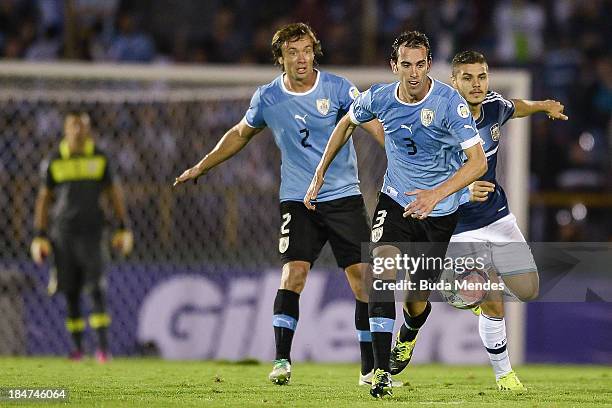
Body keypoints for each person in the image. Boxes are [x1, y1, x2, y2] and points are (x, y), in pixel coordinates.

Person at [174, 22, 386, 386]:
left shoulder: (337, 88)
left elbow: (372, 124)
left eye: (306, 50)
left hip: (343, 196)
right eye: (293, 52)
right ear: (280, 58)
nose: (302, 58)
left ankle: (368, 369)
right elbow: (240, 133)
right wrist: (202, 165)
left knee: (362, 281)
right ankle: (282, 361)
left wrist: (403, 160)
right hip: (297, 199)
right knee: (294, 273)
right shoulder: (268, 97)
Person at [304, 31, 487, 398]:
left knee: (417, 300)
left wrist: (436, 195)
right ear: (394, 66)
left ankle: (409, 332)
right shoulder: (379, 97)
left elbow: (478, 162)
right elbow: (346, 123)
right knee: (382, 268)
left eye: (420, 64)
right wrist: (320, 172)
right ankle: (380, 371)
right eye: (406, 64)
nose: (414, 72)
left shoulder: (451, 104)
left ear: (429, 65)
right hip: (396, 200)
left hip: (439, 211)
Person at [448, 50, 567, 390]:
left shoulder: (494, 108)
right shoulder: (439, 122)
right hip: (456, 226)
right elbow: (420, 178)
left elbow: (517, 106)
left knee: (528, 290)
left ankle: (468, 293)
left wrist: (545, 104)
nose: (476, 84)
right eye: (467, 78)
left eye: (481, 76)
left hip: (498, 219)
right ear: (454, 81)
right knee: (490, 295)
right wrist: (459, 193)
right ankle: (505, 376)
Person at [30, 112, 133, 363]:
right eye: (74, 125)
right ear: (66, 129)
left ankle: (102, 350)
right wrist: (39, 235)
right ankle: (77, 350)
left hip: (94, 233)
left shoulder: (100, 158)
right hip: (62, 235)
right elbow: (44, 199)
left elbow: (114, 193)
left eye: (83, 126)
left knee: (97, 289)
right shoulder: (53, 161)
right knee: (71, 292)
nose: (79, 130)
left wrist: (123, 226)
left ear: (89, 129)